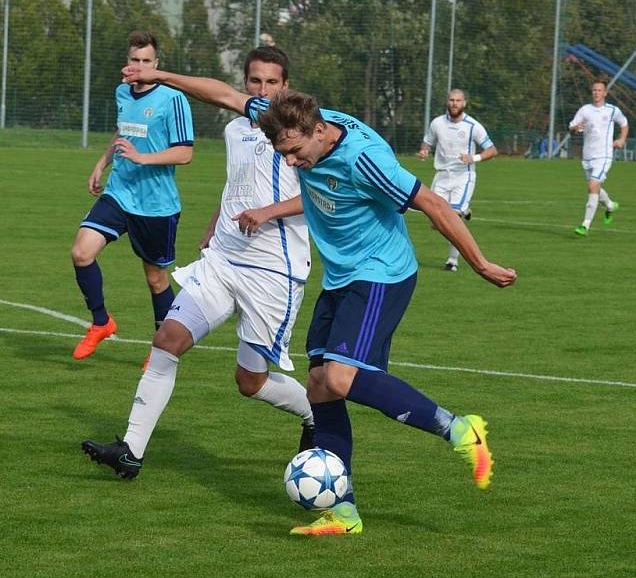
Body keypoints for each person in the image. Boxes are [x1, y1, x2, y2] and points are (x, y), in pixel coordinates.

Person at [120, 65, 517, 536]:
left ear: (318, 131)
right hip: (341, 276)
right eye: (281, 153)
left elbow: (431, 203)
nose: (289, 163)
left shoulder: (364, 159)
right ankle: (343, 513)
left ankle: (460, 429)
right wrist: (162, 76)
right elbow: (225, 96)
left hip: (381, 273)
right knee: (318, 387)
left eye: (293, 153)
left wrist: (480, 262)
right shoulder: (291, 122)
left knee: (340, 378)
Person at [82, 46, 315, 479]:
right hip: (224, 260)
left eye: (271, 82)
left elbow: (319, 198)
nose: (262, 90)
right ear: (247, 82)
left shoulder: (302, 135)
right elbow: (240, 184)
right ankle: (130, 451)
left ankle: (315, 415)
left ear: (286, 87)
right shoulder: (236, 130)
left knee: (251, 383)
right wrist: (214, 225)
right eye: (255, 81)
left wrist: (266, 214)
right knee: (167, 339)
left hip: (273, 271)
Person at [69, 31, 194, 360]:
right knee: (82, 252)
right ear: (128, 62)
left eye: (146, 61)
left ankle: (162, 348)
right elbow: (122, 130)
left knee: (155, 279)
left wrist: (142, 158)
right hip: (119, 193)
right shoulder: (122, 92)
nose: (139, 66)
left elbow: (184, 153)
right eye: (134, 60)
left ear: (156, 64)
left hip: (156, 204)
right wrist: (101, 163)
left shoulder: (173, 99)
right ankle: (101, 323)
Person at [418, 89, 497, 272]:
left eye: (458, 100)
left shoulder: (472, 126)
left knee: (452, 218)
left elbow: (492, 150)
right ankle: (465, 210)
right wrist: (424, 151)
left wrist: (474, 158)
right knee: (435, 222)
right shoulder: (437, 123)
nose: (454, 103)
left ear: (464, 103)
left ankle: (452, 261)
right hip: (442, 176)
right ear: (448, 101)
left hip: (463, 176)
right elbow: (427, 142)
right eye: (452, 100)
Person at [569, 79, 628, 236]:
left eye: (600, 90)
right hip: (587, 156)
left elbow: (624, 123)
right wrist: (575, 129)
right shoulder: (585, 110)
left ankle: (585, 225)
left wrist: (621, 139)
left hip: (604, 155)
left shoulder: (612, 110)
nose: (596, 93)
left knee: (592, 186)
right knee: (595, 187)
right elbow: (571, 128)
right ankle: (609, 205)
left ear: (605, 93)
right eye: (594, 90)